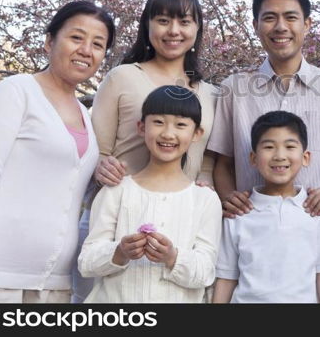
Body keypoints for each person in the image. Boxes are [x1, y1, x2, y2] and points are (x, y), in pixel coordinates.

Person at [72, 0, 218, 302]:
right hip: (115, 214)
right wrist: (100, 164)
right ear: (147, 25)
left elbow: (204, 156)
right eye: (163, 20)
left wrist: (204, 182)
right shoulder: (122, 77)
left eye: (185, 22)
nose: (174, 31)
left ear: (197, 28)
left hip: (179, 219)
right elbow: (95, 147)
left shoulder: (209, 93)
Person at [0, 0, 115, 303]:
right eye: (76, 37)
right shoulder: (18, 91)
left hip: (56, 286)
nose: (86, 50)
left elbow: (65, 184)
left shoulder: (85, 114)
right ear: (49, 41)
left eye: (98, 44)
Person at [208, 0, 320, 220]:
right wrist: (228, 199)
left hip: (314, 228)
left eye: (290, 17)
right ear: (256, 25)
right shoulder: (233, 90)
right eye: (269, 18)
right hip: (249, 228)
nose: (280, 27)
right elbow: (222, 163)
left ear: (306, 24)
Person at [78, 85, 222, 303]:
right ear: (141, 127)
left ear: (197, 134)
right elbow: (87, 262)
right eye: (158, 122)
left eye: (181, 125)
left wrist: (172, 257)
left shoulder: (205, 199)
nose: (168, 133)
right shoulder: (116, 190)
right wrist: (120, 252)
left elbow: (206, 271)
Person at [212, 111, 320, 303]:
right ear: (253, 158)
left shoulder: (317, 211)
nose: (280, 156)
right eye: (269, 147)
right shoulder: (239, 212)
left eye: (290, 146)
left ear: (305, 157)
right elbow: (226, 278)